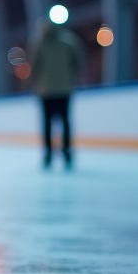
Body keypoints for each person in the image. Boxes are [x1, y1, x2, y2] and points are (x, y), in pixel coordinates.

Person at [28, 21, 84, 169]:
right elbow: (77, 62)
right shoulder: (69, 40)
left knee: (47, 123)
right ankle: (66, 152)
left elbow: (34, 66)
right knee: (65, 122)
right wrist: (69, 78)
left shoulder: (39, 43)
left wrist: (34, 84)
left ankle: (48, 154)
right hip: (64, 89)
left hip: (46, 91)